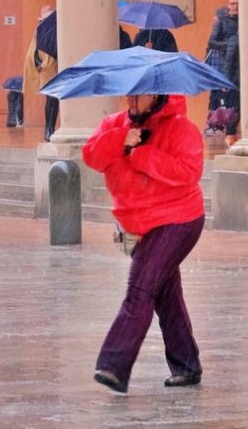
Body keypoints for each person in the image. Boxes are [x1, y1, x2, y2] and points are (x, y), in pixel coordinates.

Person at [84, 94, 205, 394]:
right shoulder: (114, 125)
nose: (133, 100)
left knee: (140, 288)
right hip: (138, 225)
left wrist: (141, 154)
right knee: (165, 294)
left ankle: (114, 365)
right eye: (130, 94)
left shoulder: (181, 128)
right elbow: (91, 156)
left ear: (158, 96)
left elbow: (189, 171)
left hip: (178, 219)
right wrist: (120, 141)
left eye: (141, 95)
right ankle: (187, 364)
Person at [23, 5, 59, 141]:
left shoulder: (52, 31)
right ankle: (49, 129)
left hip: (52, 64)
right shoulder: (40, 31)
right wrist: (39, 63)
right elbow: (34, 50)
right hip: (46, 66)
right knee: (52, 98)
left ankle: (50, 128)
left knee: (53, 98)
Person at [205, 0, 239, 136]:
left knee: (234, 97)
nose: (235, 6)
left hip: (236, 63)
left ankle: (230, 126)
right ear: (228, 5)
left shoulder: (243, 22)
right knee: (217, 94)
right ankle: (215, 124)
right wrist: (230, 45)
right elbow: (212, 42)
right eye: (233, 3)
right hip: (221, 62)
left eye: (238, 3)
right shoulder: (221, 22)